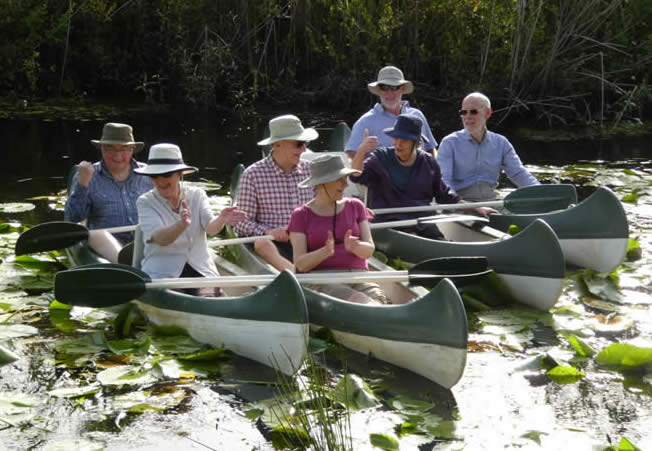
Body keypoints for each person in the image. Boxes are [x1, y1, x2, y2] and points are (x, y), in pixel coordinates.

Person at [350, 114, 494, 240]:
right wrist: (361, 151)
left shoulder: (428, 162)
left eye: (404, 140)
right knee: (411, 238)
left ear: (415, 142)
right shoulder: (380, 158)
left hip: (422, 221)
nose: (398, 144)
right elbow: (355, 176)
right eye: (396, 138)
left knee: (438, 240)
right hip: (388, 221)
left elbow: (445, 196)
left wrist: (475, 208)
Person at [134, 143, 246, 296]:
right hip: (162, 273)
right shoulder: (145, 201)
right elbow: (160, 238)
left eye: (167, 175)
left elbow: (210, 228)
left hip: (200, 269)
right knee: (175, 298)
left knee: (210, 298)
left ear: (180, 174)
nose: (160, 181)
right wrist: (181, 225)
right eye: (154, 176)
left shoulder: (197, 194)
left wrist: (221, 219)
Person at [288, 154, 386, 304]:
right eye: (339, 180)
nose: (345, 185)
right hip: (320, 280)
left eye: (345, 179)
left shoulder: (356, 206)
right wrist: (325, 252)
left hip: (357, 276)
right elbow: (300, 264)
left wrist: (356, 246)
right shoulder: (300, 215)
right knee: (360, 300)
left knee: (379, 299)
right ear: (322, 183)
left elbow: (369, 249)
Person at [233, 114, 318, 271]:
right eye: (299, 144)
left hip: (309, 240)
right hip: (276, 244)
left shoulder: (311, 170)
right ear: (277, 144)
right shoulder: (253, 175)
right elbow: (240, 223)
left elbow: (323, 207)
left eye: (304, 144)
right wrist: (268, 231)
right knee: (262, 243)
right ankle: (298, 276)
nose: (304, 149)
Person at [64, 122, 153, 262]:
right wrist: (83, 184)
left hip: (147, 241)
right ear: (101, 149)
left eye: (124, 149)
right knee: (95, 234)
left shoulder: (149, 174)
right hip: (106, 245)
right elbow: (73, 218)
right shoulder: (87, 175)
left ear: (132, 149)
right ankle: (126, 265)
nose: (117, 156)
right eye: (110, 149)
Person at [437, 92, 539, 202]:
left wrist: (542, 192)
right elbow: (444, 182)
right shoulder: (449, 143)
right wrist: (458, 204)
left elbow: (518, 173)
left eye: (473, 112)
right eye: (463, 112)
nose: (467, 116)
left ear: (488, 113)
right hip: (460, 205)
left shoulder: (501, 143)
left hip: (491, 202)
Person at [345, 66, 438, 158]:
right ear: (378, 90)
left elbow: (431, 149)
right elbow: (350, 156)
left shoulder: (417, 115)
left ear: (403, 88)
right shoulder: (365, 122)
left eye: (394, 87)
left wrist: (434, 170)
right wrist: (362, 150)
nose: (389, 93)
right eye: (384, 87)